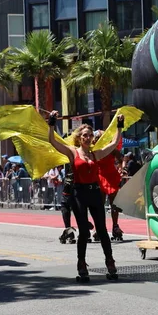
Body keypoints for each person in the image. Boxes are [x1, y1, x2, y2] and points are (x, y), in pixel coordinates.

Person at [47, 111, 125, 282]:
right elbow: (52, 141)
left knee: (103, 230)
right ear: (79, 138)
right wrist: (52, 123)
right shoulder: (72, 152)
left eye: (90, 135)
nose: (88, 138)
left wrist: (119, 127)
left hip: (95, 193)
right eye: (85, 135)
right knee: (83, 232)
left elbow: (113, 144)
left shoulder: (96, 154)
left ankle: (110, 262)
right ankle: (82, 264)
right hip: (79, 194)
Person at [94, 130, 124, 241]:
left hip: (111, 177)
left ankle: (115, 226)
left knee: (114, 204)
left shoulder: (111, 149)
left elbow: (121, 158)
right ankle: (100, 228)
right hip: (100, 177)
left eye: (100, 137)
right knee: (99, 205)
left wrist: (122, 168)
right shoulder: (93, 149)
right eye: (97, 137)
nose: (97, 139)